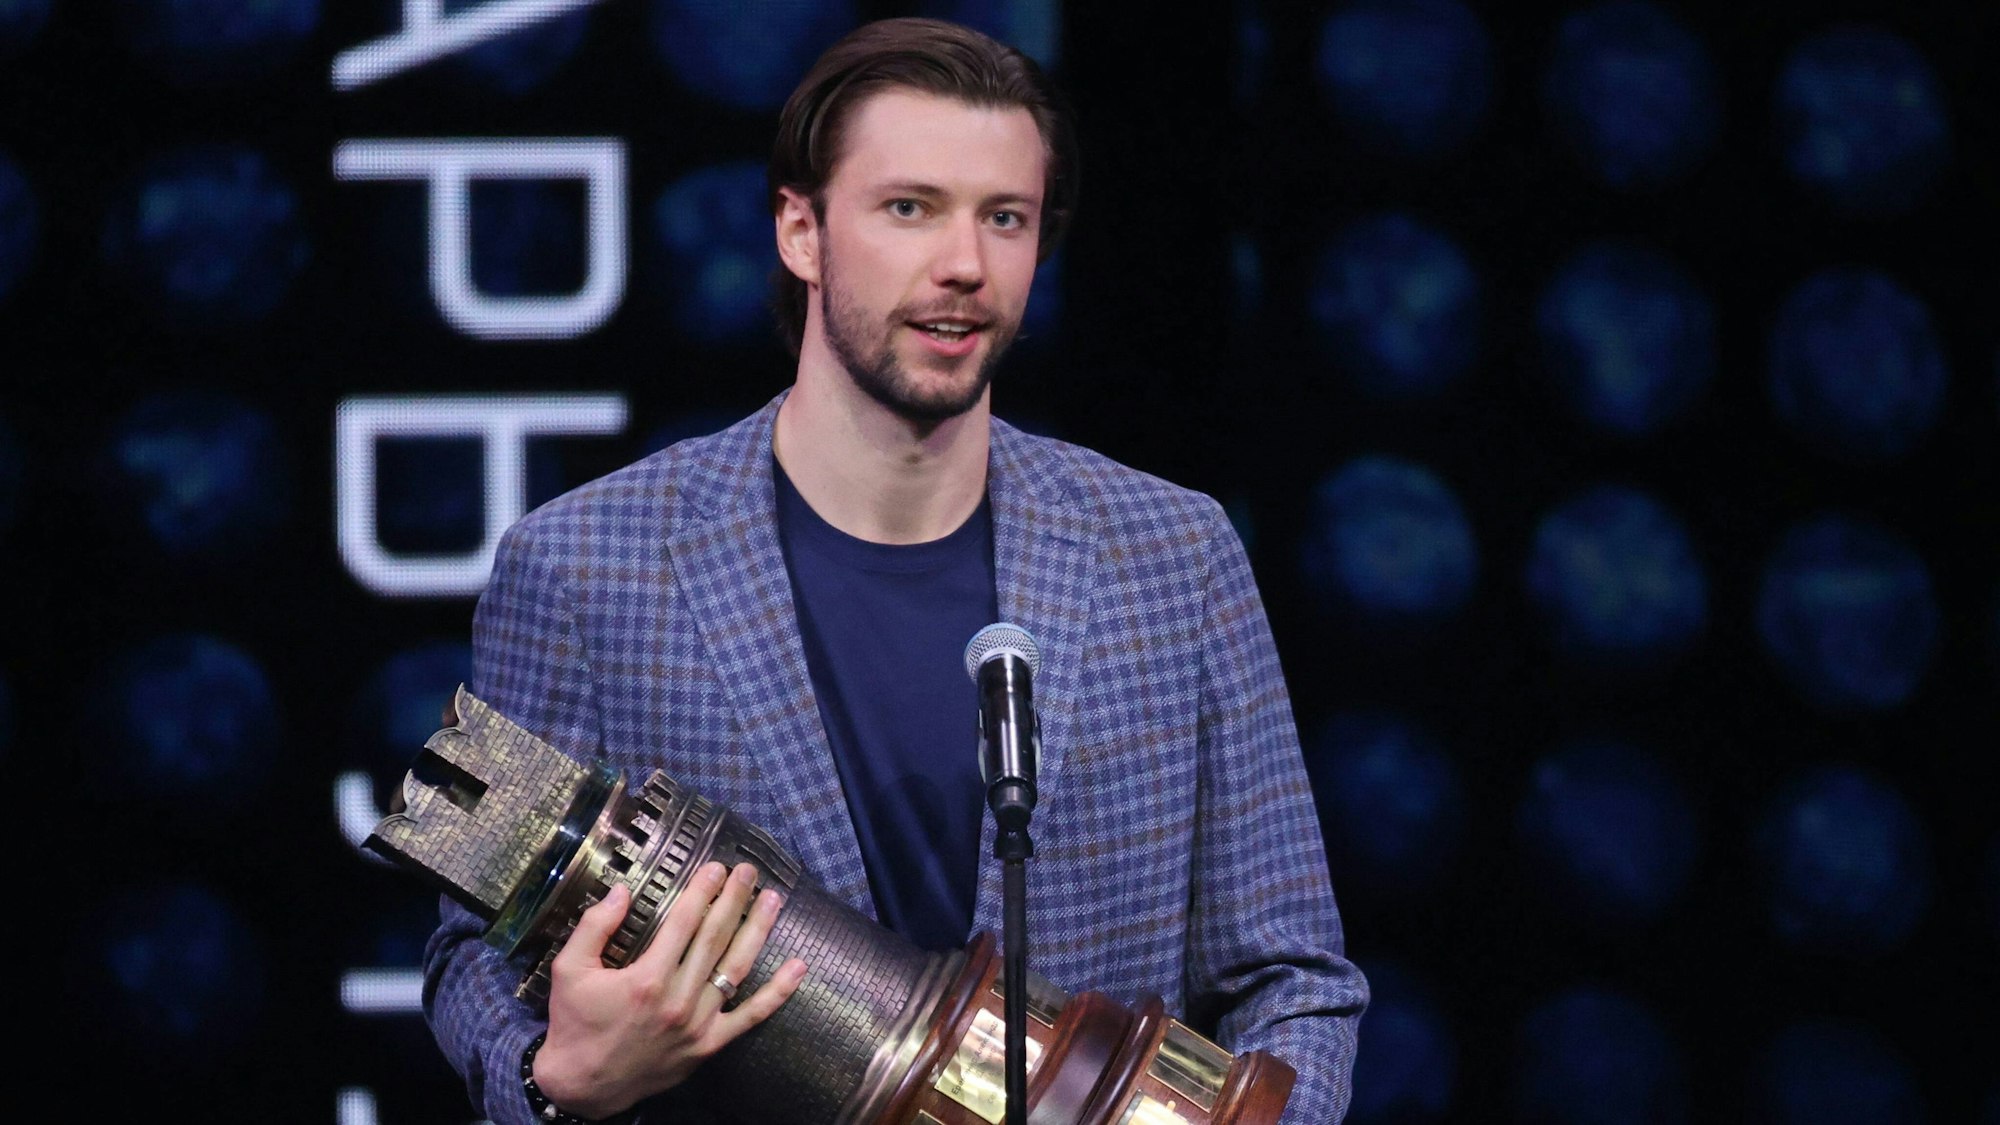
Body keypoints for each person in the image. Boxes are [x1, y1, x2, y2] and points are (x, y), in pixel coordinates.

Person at [424, 16, 1367, 1125]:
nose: (963, 264)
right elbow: (469, 946)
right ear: (800, 230)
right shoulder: (583, 564)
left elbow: (1291, 978)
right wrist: (556, 1083)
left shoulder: (1173, 554)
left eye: (1003, 218)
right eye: (908, 208)